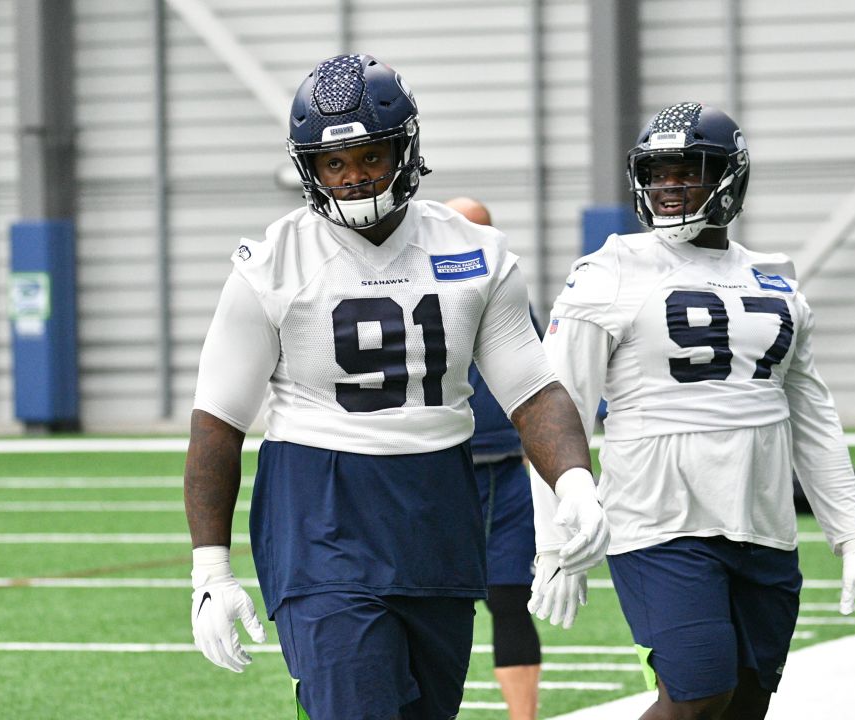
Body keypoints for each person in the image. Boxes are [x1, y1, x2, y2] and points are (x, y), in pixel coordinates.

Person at [183, 54, 606, 720]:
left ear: (404, 149)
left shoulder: (474, 251)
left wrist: (574, 480)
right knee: (357, 704)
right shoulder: (271, 263)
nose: (354, 178)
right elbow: (218, 420)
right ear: (309, 169)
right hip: (320, 503)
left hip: (437, 501)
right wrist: (210, 568)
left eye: (370, 157)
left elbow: (533, 390)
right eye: (335, 164)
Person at [527, 102, 855, 720]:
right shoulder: (610, 270)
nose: (668, 188)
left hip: (763, 523)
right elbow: (558, 410)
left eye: (687, 171)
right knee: (698, 698)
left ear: (730, 176)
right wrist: (554, 545)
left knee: (744, 706)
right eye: (657, 173)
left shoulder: (774, 280)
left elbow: (813, 421)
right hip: (659, 520)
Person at [444, 197, 543, 720]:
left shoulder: (508, 292)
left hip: (503, 472)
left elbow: (537, 382)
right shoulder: (412, 288)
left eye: (480, 232)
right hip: (437, 472)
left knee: (510, 598)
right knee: (432, 604)